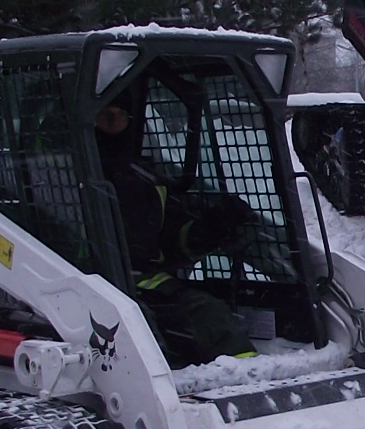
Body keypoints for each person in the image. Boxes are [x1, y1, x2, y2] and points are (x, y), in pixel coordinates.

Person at [94, 103, 257, 366]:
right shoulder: (65, 177)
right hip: (96, 282)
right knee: (200, 317)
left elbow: (172, 238)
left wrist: (213, 226)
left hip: (146, 283)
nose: (114, 123)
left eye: (121, 115)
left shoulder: (145, 181)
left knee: (209, 316)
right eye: (104, 116)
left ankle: (248, 381)